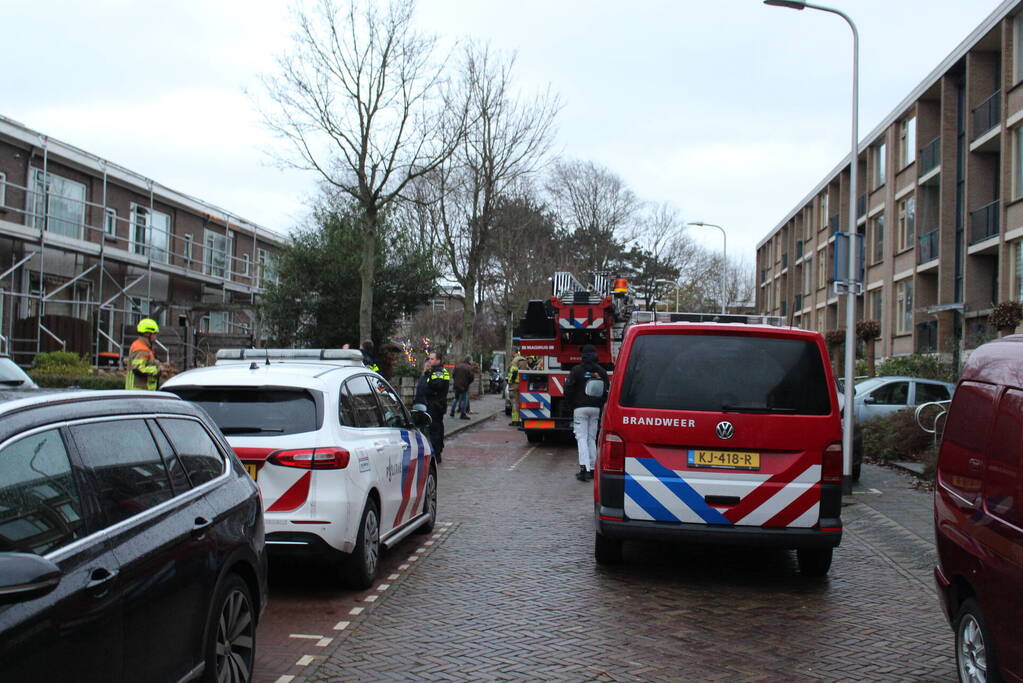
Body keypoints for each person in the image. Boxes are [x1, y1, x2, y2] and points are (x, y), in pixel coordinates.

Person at [563, 344, 609, 481]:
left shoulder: (577, 370)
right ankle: (594, 468)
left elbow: (569, 389)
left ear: (583, 355)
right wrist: (600, 405)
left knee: (581, 437)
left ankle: (584, 468)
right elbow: (606, 391)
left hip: (580, 408)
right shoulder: (602, 371)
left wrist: (570, 405)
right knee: (591, 438)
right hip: (595, 409)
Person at [417, 351, 450, 463]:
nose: (429, 361)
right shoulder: (434, 372)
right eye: (429, 359)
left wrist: (428, 379)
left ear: (438, 360)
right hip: (433, 404)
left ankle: (436, 453)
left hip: (435, 405)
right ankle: (436, 451)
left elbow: (436, 386)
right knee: (435, 428)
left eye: (432, 359)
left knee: (434, 429)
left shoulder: (438, 372)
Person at [125, 318, 162, 390]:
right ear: (147, 334)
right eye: (155, 333)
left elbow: (147, 363)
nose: (156, 336)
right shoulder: (141, 349)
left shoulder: (144, 347)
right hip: (139, 391)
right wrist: (157, 369)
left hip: (141, 392)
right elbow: (138, 369)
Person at [507, 350, 529, 426]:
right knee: (518, 403)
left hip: (514, 385)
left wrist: (512, 380)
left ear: (514, 353)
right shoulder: (523, 360)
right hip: (520, 385)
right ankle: (518, 420)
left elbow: (514, 372)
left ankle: (515, 421)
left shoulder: (515, 361)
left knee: (514, 404)